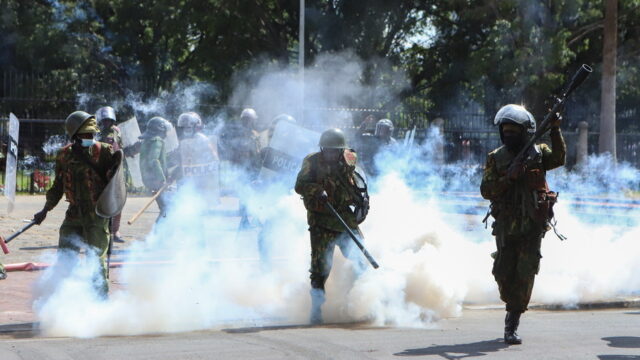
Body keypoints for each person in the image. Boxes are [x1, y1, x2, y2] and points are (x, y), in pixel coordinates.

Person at [480, 104, 566, 345]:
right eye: (505, 130)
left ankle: (512, 322)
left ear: (524, 131)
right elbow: (486, 190)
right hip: (506, 226)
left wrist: (555, 130)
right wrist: (509, 177)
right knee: (503, 272)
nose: (508, 134)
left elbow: (559, 158)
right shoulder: (496, 158)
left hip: (531, 225)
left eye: (513, 130)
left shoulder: (539, 153)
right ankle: (511, 304)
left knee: (525, 272)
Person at [33, 111, 120, 298]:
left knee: (95, 260)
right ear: (74, 135)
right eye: (85, 135)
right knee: (65, 258)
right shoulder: (64, 155)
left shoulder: (105, 151)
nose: (90, 137)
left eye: (92, 134)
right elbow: (58, 185)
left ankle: (100, 302)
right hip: (73, 215)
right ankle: (65, 299)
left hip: (96, 215)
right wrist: (45, 209)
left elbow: (117, 183)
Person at [295, 128, 368, 324]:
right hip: (321, 220)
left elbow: (358, 181)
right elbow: (299, 185)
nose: (330, 154)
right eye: (326, 150)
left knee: (360, 260)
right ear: (321, 148)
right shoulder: (312, 161)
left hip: (344, 219)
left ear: (341, 150)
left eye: (334, 151)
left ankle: (366, 302)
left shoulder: (349, 158)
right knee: (319, 270)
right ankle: (316, 310)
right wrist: (317, 190)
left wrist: (361, 200)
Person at [96, 106, 125, 243]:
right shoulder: (96, 132)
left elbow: (120, 149)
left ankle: (115, 231)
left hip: (114, 170)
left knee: (117, 200)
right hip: (100, 169)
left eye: (109, 119)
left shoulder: (116, 131)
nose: (107, 122)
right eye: (105, 119)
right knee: (99, 200)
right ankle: (100, 230)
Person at [139, 117, 171, 222]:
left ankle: (161, 234)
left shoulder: (147, 141)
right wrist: (162, 179)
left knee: (165, 208)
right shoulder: (157, 140)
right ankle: (158, 235)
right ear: (161, 129)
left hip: (149, 179)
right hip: (156, 180)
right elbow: (154, 160)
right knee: (166, 209)